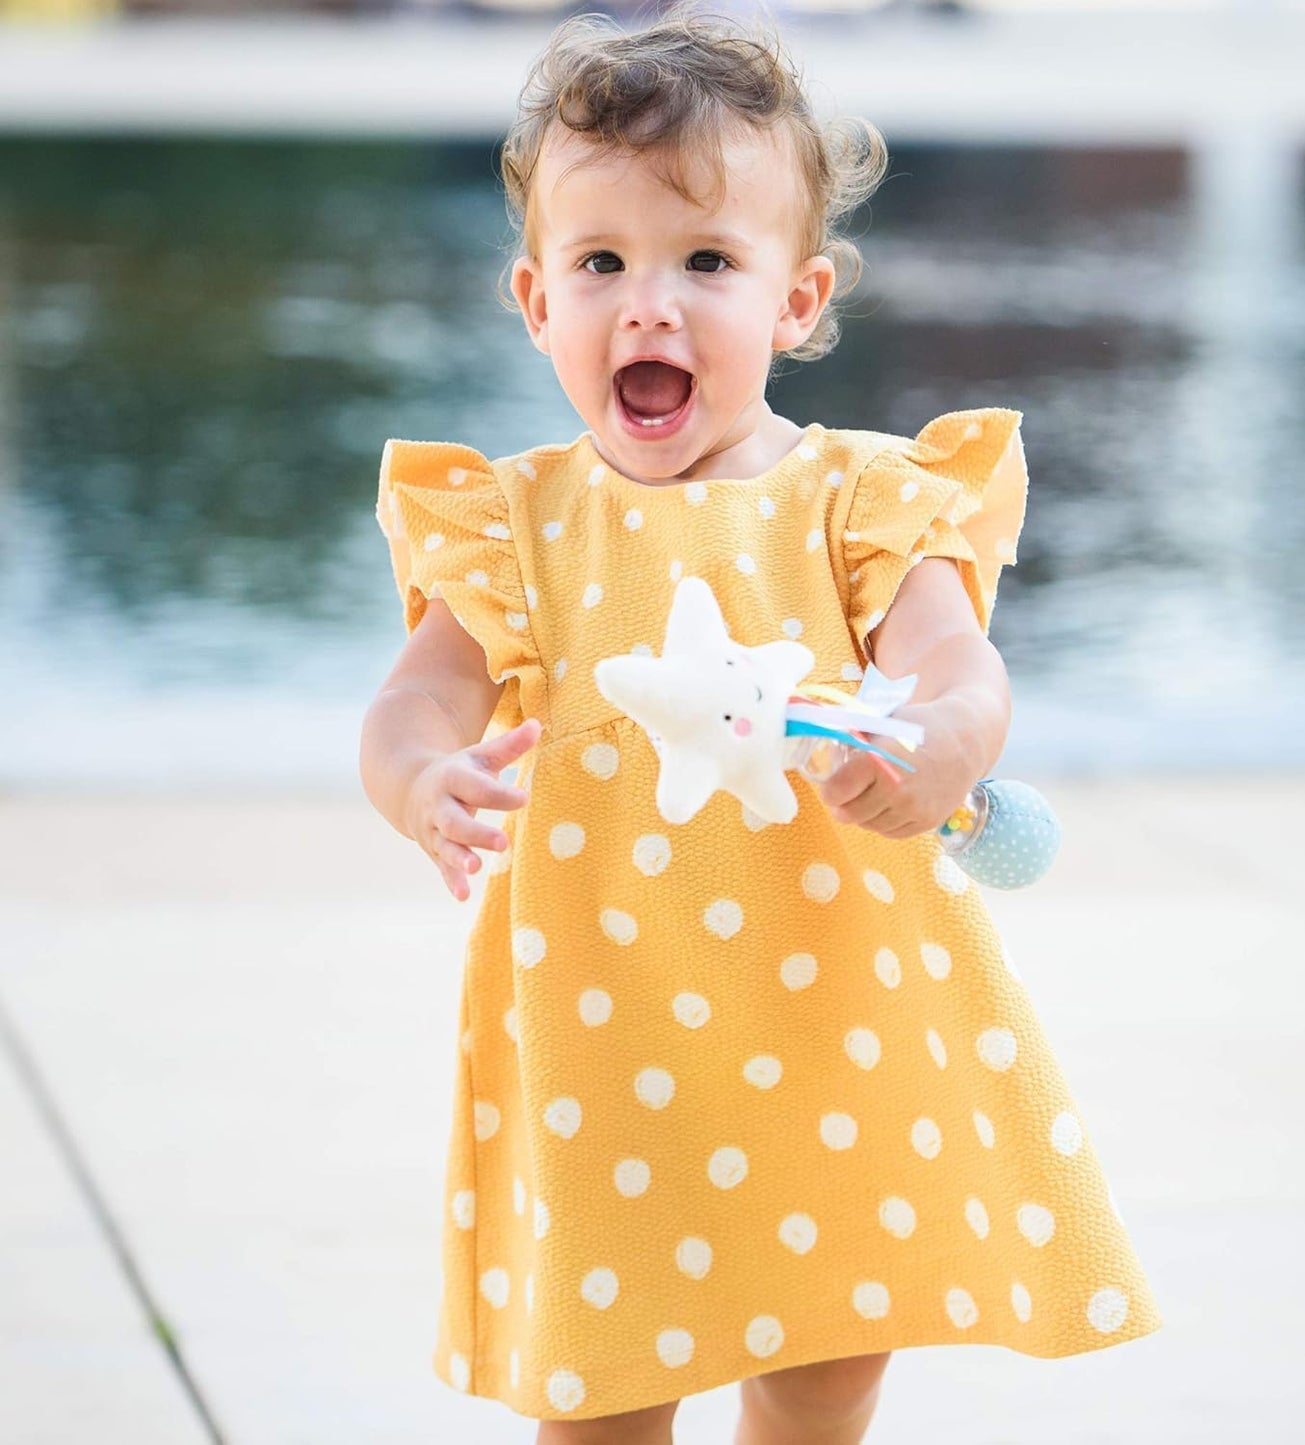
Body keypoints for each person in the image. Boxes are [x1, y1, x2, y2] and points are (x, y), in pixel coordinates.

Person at [359, 8, 1160, 1441]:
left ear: (798, 299)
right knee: (606, 1382)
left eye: (707, 262)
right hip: (604, 1026)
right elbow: (416, 698)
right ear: (536, 301)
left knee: (824, 1357)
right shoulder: (519, 530)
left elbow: (956, 663)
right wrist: (421, 777)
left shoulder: (858, 502)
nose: (648, 307)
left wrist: (947, 744)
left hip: (835, 1014)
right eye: (601, 264)